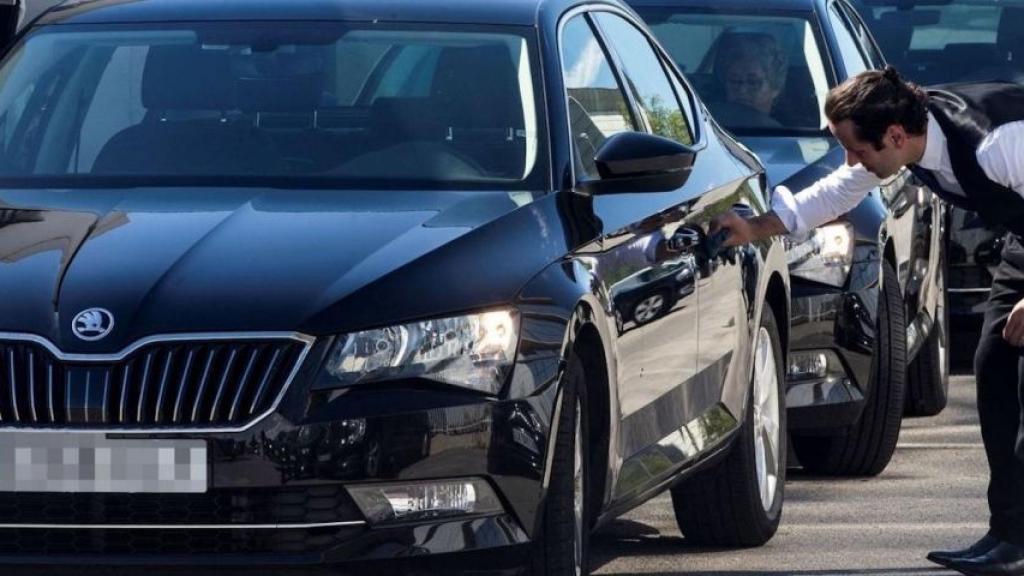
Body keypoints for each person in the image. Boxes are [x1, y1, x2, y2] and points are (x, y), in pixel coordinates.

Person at [714, 66, 1024, 576]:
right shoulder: (906, 137)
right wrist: (755, 228)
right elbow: (838, 191)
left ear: (896, 136)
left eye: (857, 149)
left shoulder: (993, 142)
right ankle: (1010, 535)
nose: (852, 160)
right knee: (995, 368)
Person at [710, 32, 787, 128]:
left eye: (753, 82)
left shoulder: (792, 135)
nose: (742, 90)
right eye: (735, 81)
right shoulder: (706, 126)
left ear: (776, 87)